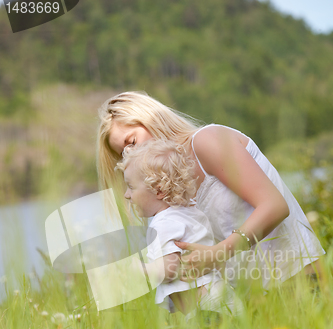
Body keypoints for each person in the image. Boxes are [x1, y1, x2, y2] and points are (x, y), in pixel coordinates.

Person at [97, 91, 325, 292]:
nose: (130, 154)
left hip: (300, 282)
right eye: (122, 153)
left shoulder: (207, 141)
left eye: (132, 141)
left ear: (151, 119)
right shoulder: (166, 191)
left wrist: (219, 253)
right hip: (256, 300)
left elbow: (275, 206)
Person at [115, 139, 243, 318]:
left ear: (158, 191)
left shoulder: (164, 222)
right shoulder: (187, 213)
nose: (127, 195)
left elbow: (170, 268)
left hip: (209, 309)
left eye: (131, 187)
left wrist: (139, 270)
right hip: (220, 302)